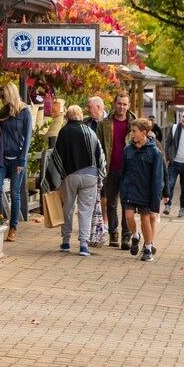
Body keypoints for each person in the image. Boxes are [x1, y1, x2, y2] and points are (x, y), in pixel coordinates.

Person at [48, 105, 107, 256]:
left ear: (67, 117)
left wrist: (54, 179)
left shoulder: (64, 132)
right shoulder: (90, 132)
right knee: (85, 210)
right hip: (90, 175)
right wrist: (101, 175)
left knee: (67, 208)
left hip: (70, 176)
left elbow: (57, 156)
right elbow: (100, 154)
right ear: (81, 116)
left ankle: (66, 242)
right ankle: (83, 245)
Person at [119, 118, 165, 262]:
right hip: (130, 189)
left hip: (145, 191)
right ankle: (135, 236)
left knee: (145, 218)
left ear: (143, 133)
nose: (132, 134)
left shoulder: (155, 152)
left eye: (134, 131)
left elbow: (157, 176)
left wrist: (156, 197)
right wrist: (123, 189)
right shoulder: (127, 150)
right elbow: (123, 172)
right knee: (128, 216)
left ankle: (148, 248)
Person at [97, 92, 137, 248]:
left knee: (127, 203)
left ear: (129, 106)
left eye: (125, 104)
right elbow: (98, 146)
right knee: (111, 203)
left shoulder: (135, 124)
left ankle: (126, 235)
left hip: (129, 169)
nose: (122, 107)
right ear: (114, 104)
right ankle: (113, 232)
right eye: (119, 103)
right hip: (110, 167)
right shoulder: (104, 124)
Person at [0, 82, 33, 242]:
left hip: (17, 158)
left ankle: (13, 228)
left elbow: (28, 137)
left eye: (3, 96)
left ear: (10, 95)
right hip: (2, 157)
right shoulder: (3, 111)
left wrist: (22, 160)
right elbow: (3, 132)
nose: (2, 100)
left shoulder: (25, 112)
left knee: (15, 193)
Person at [163, 110, 184, 217]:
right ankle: (167, 205)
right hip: (174, 162)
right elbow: (167, 142)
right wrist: (167, 157)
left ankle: (182, 208)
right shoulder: (175, 128)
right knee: (170, 184)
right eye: (183, 117)